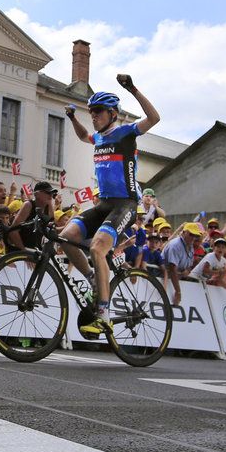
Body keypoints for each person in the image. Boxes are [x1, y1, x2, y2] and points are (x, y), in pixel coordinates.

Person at [58, 74, 160, 336]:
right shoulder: (99, 138)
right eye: (91, 112)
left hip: (125, 204)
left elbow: (154, 118)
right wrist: (73, 118)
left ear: (113, 113)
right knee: (66, 237)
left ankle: (103, 312)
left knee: (97, 247)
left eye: (99, 112)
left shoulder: (125, 133)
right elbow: (84, 136)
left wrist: (133, 89)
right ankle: (94, 278)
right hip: (103, 203)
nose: (94, 116)